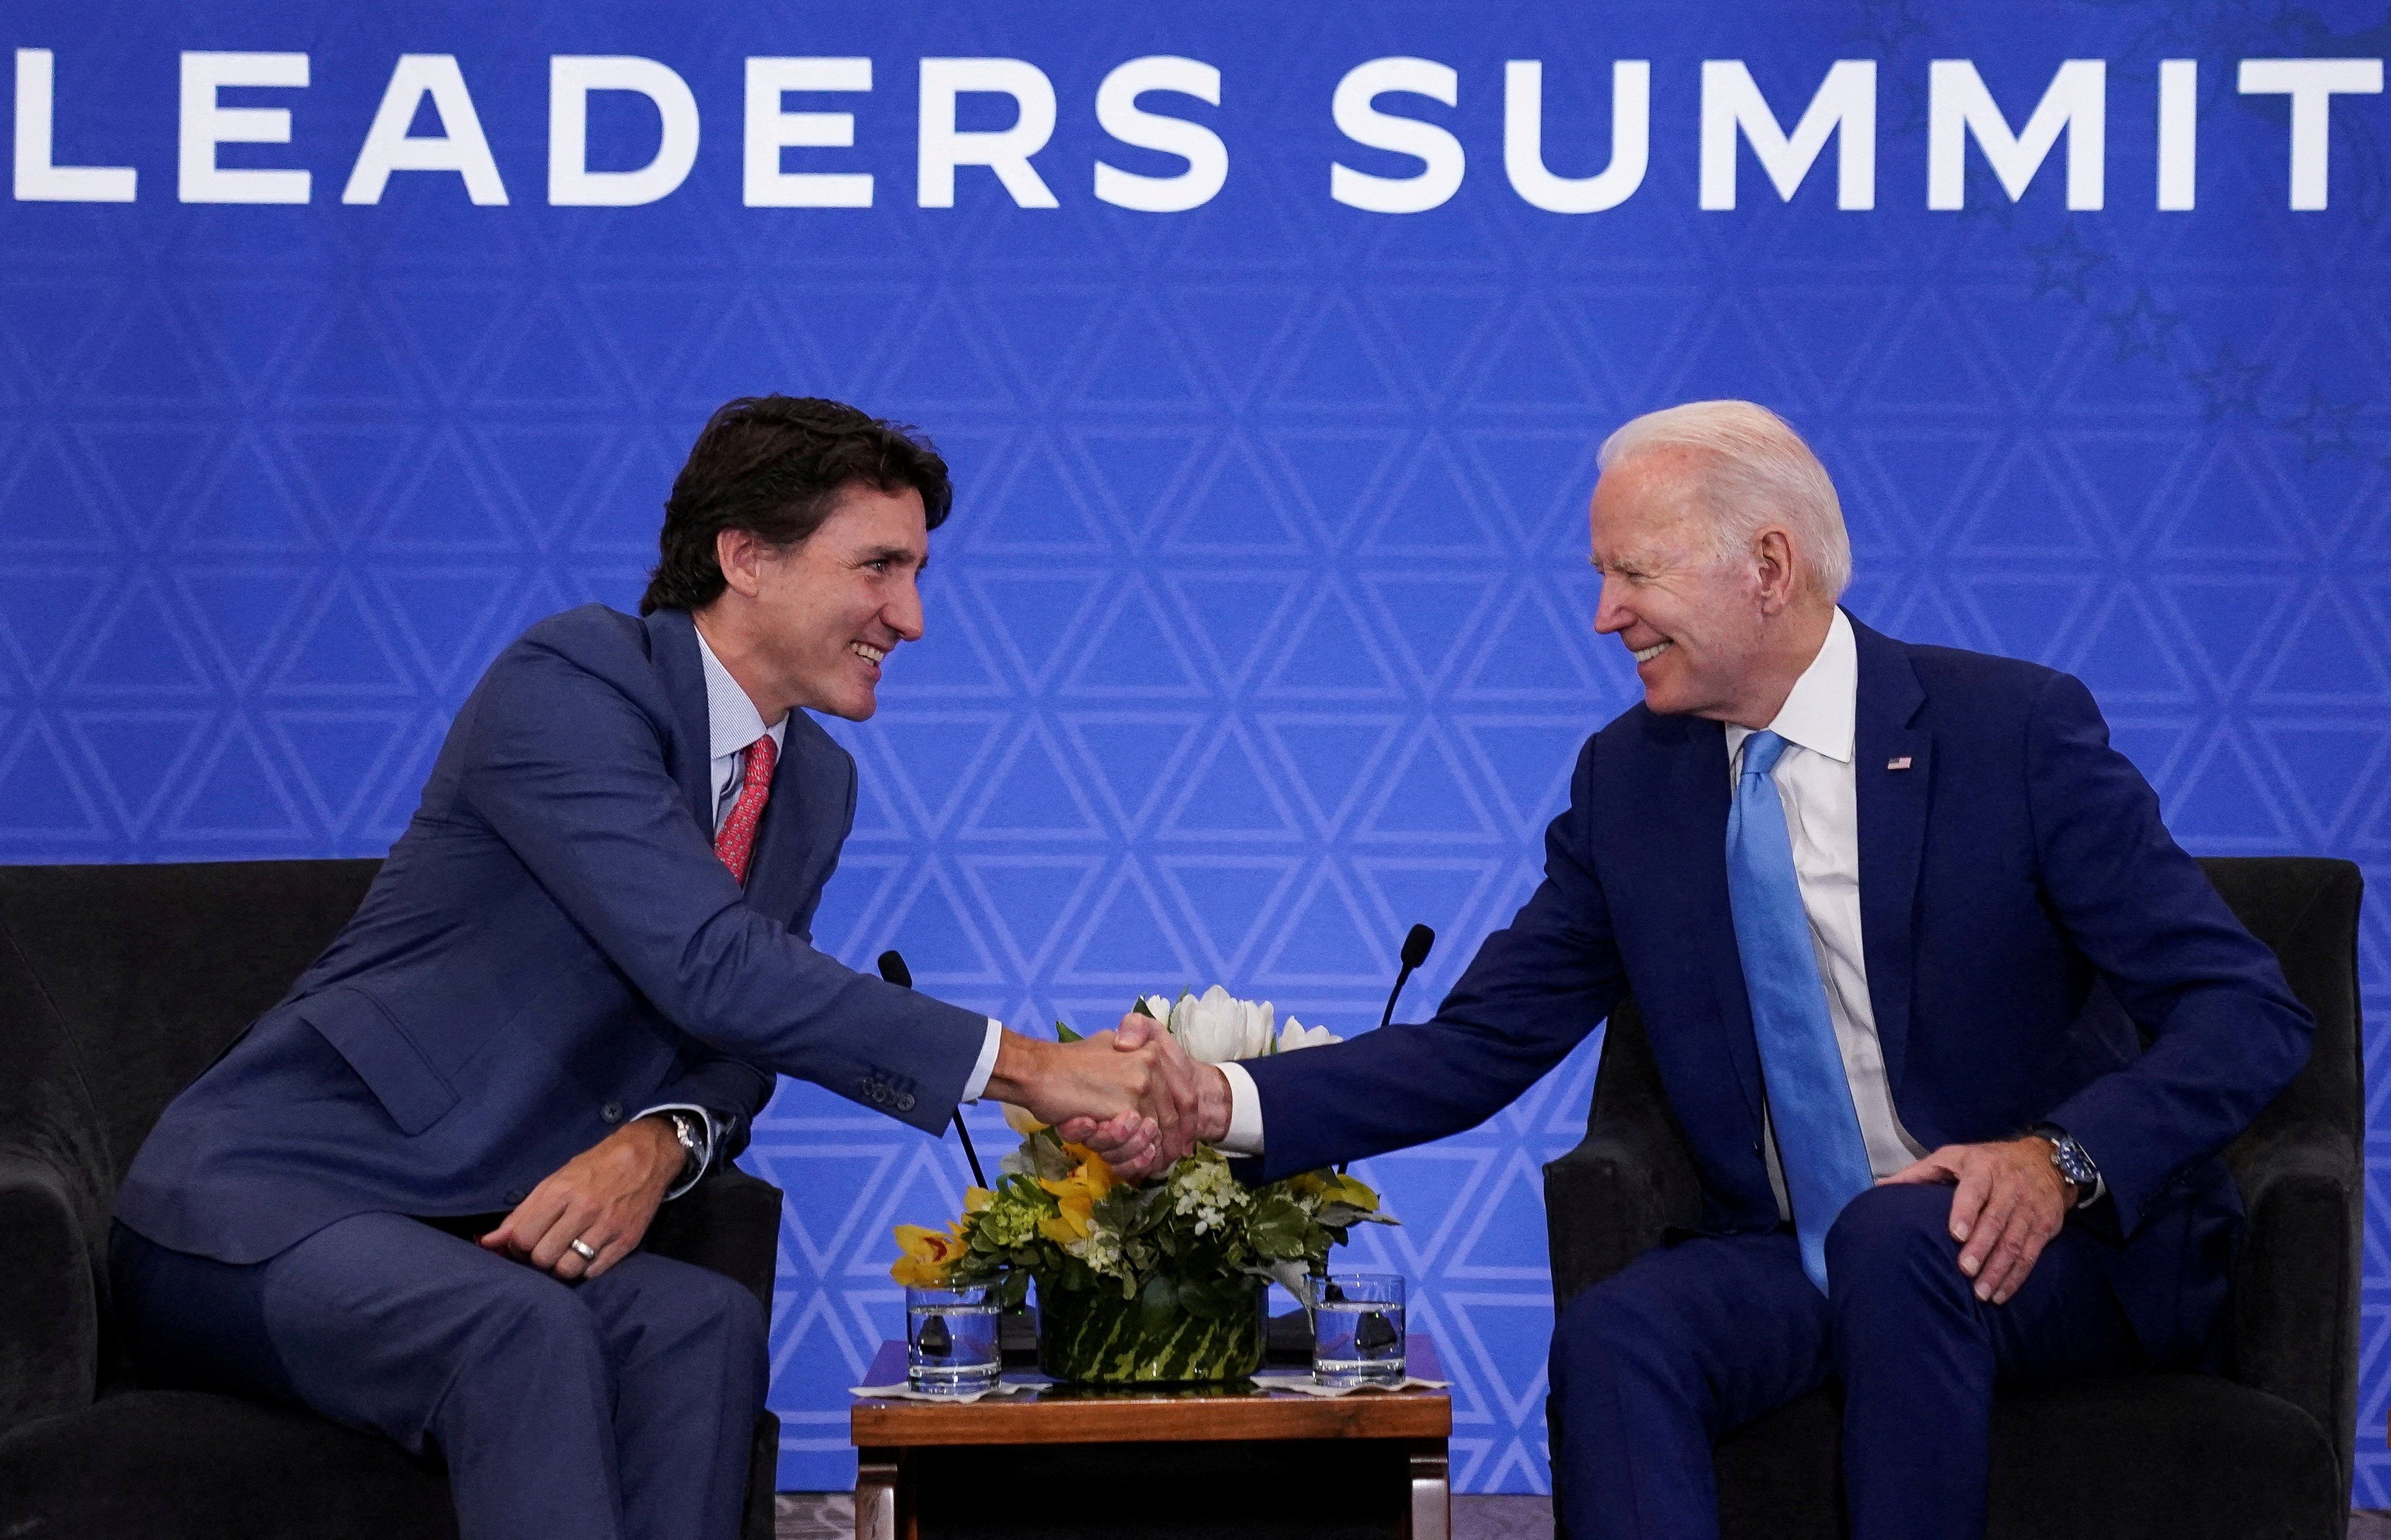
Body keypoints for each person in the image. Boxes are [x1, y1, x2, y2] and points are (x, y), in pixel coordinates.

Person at [1095, 400, 2313, 1540]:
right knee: (1624, 1334)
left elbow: (2246, 1012)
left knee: (1906, 1243)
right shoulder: (1634, 784)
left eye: (1635, 573)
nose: (1605, 615)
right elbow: (1480, 1043)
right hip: (1801, 1249)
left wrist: (2062, 1163)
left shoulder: (2013, 734)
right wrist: (1224, 1103)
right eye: (1603, 577)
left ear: (1767, 568)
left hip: (2055, 1256)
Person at [111, 395, 1196, 1540]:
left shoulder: (813, 783)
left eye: (920, 571)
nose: (913, 616)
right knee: (515, 1333)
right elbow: (714, 965)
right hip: (267, 1206)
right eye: (879, 566)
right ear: (746, 558)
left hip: (477, 1224)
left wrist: (662, 1139)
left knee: (701, 1326)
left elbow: (744, 1036)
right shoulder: (573, 681)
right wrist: (1035, 1071)